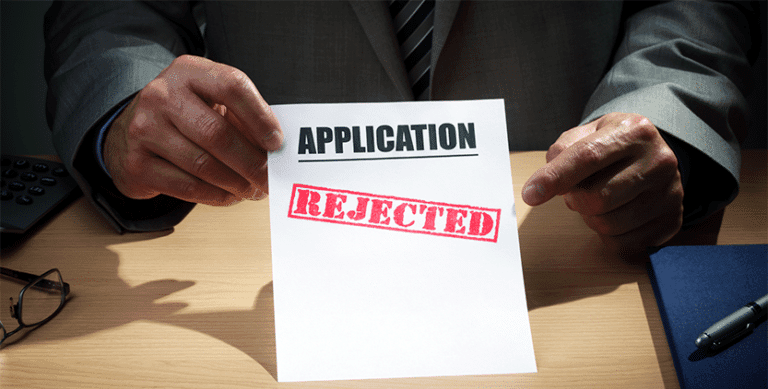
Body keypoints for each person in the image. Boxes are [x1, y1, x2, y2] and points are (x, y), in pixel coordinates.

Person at [43, 1, 758, 254]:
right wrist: (124, 110)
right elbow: (109, 8)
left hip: (564, 243)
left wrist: (666, 122)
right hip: (256, 244)